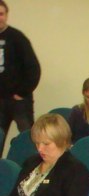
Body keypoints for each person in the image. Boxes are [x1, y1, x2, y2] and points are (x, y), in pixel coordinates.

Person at [0, 0, 41, 154]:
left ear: (6, 15)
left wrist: (22, 92)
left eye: (1, 14)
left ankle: (35, 170)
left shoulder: (17, 38)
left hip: (19, 102)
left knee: (30, 138)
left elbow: (34, 69)